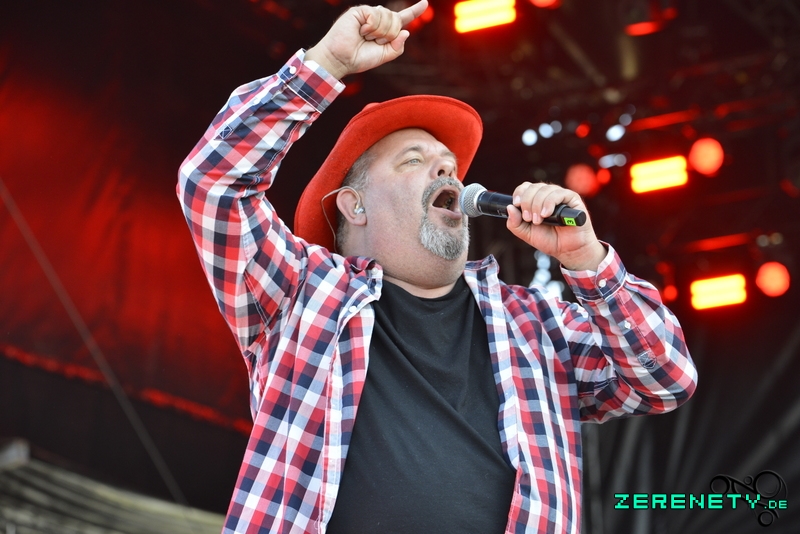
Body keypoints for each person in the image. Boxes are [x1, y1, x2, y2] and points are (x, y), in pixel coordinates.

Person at [177, 1, 697, 532]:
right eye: (414, 160)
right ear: (354, 205)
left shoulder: (537, 325)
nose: (446, 169)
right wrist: (326, 62)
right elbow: (212, 182)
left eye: (449, 164)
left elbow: (666, 381)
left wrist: (587, 260)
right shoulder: (302, 293)